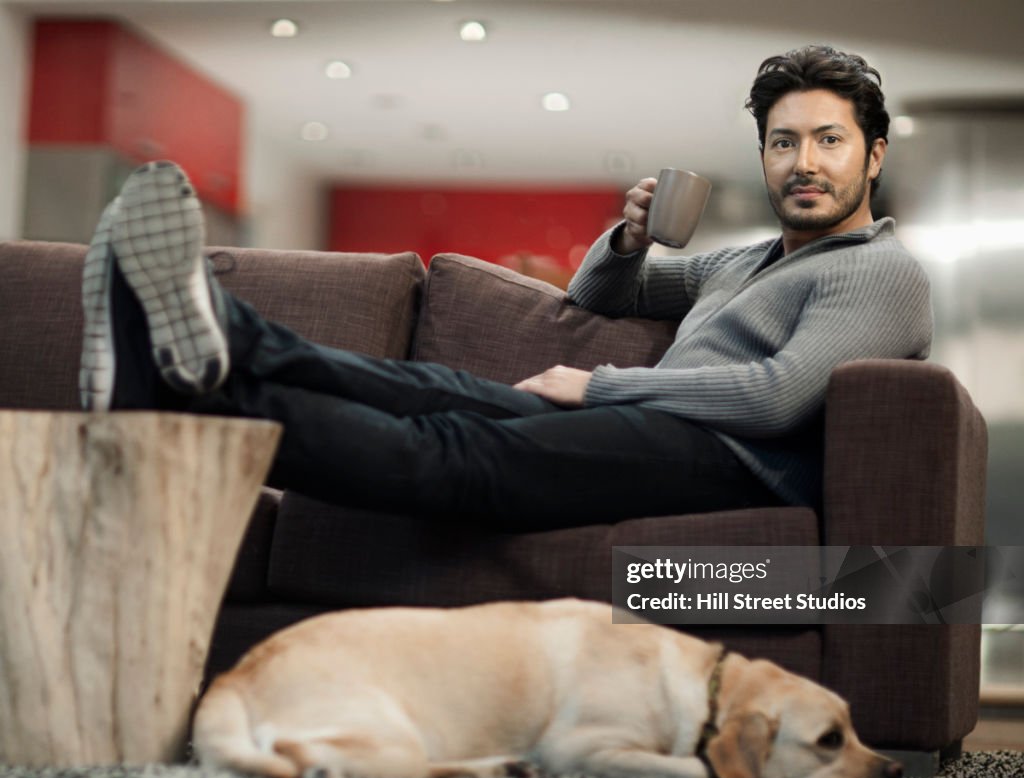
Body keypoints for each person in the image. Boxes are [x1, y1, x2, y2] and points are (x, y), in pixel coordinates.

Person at [79, 45, 931, 532]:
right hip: (648, 425)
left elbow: (778, 397)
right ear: (764, 157)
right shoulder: (743, 263)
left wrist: (600, 385)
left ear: (874, 155)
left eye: (829, 140)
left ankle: (176, 392)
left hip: (725, 462)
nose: (806, 163)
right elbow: (606, 294)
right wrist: (628, 238)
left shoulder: (877, 271)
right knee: (429, 388)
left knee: (452, 452)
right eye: (785, 143)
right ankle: (210, 330)